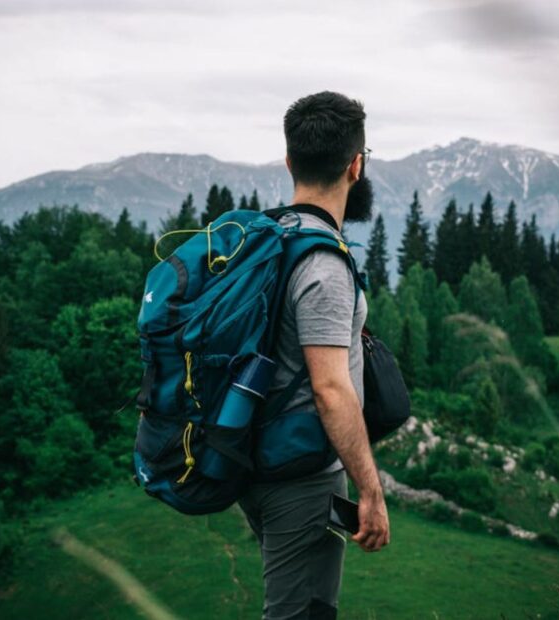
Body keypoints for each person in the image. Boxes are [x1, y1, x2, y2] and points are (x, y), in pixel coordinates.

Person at [238, 91, 390, 620]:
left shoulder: (273, 237)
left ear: (288, 161)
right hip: (300, 476)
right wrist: (370, 490)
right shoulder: (323, 265)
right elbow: (329, 390)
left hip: (259, 460)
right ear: (356, 165)